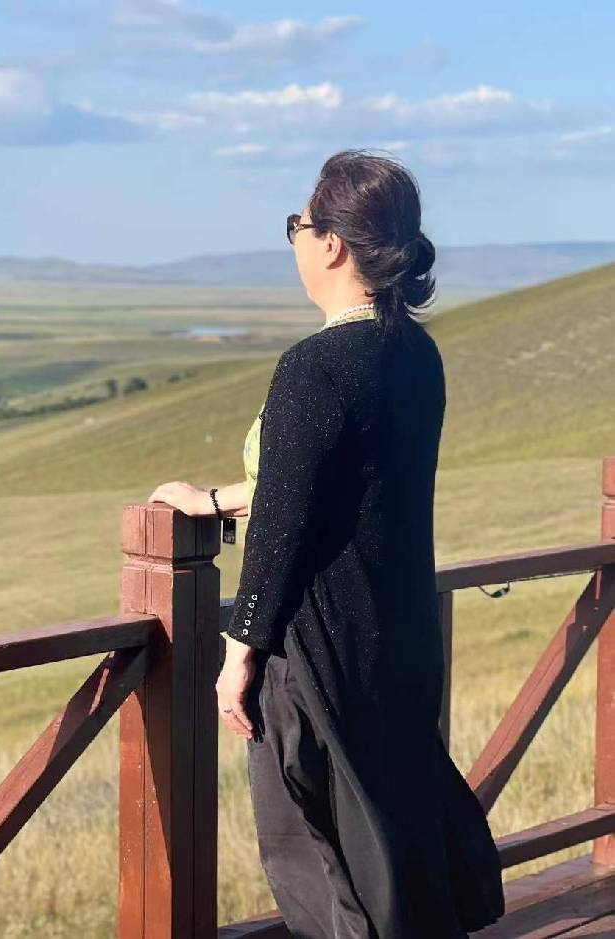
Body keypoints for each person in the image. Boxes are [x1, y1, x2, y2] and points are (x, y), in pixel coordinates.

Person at [147, 149, 505, 938]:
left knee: (317, 857)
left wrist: (239, 656)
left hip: (316, 654)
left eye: (298, 225)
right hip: (398, 639)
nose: (296, 240)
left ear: (333, 243)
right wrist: (214, 499)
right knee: (392, 846)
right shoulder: (412, 354)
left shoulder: (314, 366)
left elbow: (284, 526)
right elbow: (319, 478)